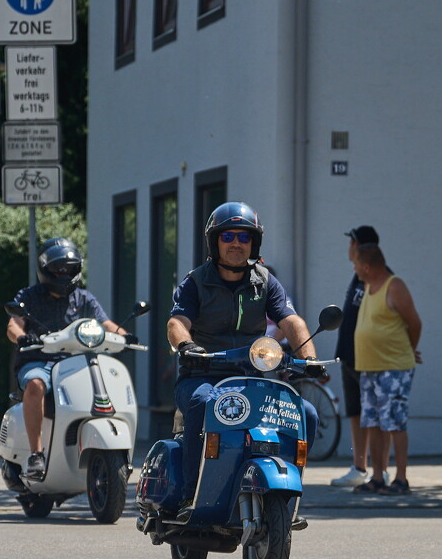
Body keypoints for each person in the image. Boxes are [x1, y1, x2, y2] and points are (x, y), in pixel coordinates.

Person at [166, 202, 320, 513]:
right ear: (215, 241)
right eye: (228, 236)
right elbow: (176, 323)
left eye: (244, 237)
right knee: (203, 403)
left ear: (254, 242)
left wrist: (309, 358)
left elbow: (292, 321)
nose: (236, 243)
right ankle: (189, 494)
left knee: (307, 414)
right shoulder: (196, 281)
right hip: (203, 375)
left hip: (252, 379)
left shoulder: (264, 281)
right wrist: (187, 347)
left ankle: (283, 495)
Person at [6, 237, 128, 480]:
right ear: (45, 269)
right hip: (39, 361)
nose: (63, 274)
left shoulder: (84, 298)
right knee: (35, 384)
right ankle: (36, 454)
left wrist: (124, 334)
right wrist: (21, 337)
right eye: (57, 269)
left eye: (68, 269)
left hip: (76, 363)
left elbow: (106, 324)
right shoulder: (29, 296)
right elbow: (13, 325)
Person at [351, 244, 423, 495]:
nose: (355, 269)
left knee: (394, 422)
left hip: (393, 368)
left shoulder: (395, 286)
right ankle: (378, 476)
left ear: (367, 267)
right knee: (372, 422)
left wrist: (408, 350)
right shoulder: (368, 287)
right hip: (369, 367)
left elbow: (415, 323)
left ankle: (401, 479)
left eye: (357, 264)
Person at [330, 226, 379, 487]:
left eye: (350, 243)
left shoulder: (375, 274)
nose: (348, 249)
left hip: (368, 357)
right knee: (356, 412)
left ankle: (378, 470)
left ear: (358, 245)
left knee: (373, 413)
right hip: (350, 356)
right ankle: (359, 467)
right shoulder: (357, 275)